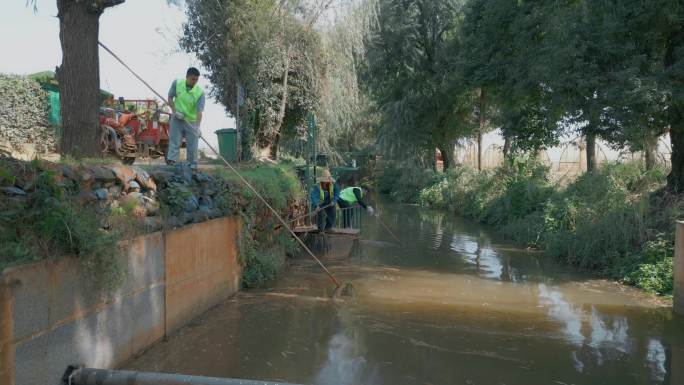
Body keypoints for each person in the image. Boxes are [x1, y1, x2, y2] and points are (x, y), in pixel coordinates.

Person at [167, 67, 205, 170]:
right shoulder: (177, 83)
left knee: (193, 145)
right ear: (187, 77)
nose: (194, 82)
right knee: (174, 140)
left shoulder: (200, 93)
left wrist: (197, 127)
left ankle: (192, 166)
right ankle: (172, 163)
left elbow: (199, 111)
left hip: (191, 121)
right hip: (177, 118)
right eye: (192, 79)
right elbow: (170, 98)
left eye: (196, 80)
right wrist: (175, 112)